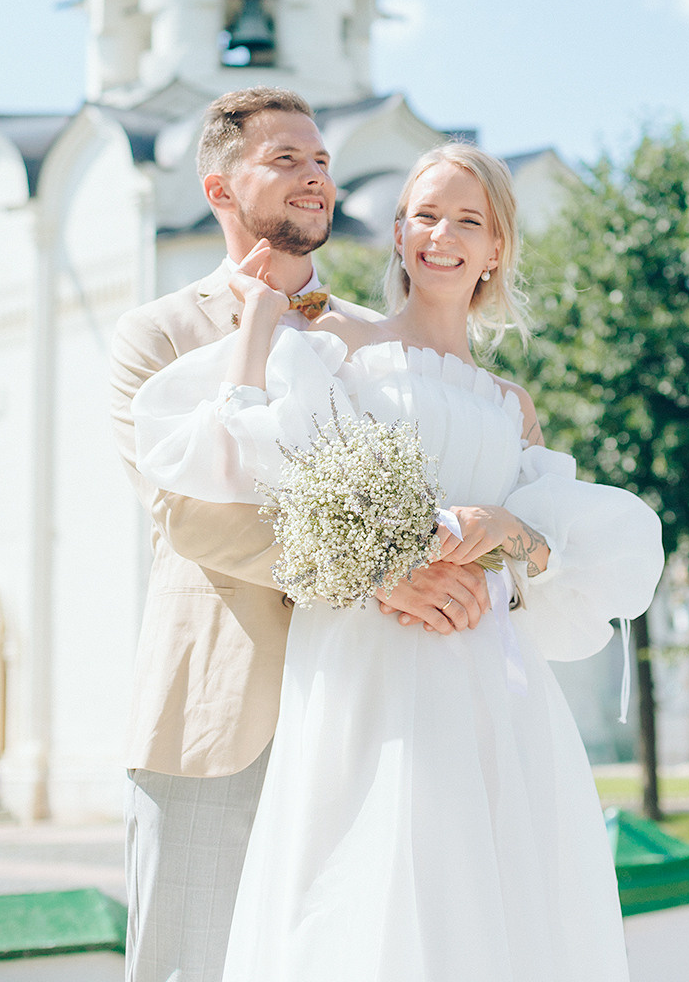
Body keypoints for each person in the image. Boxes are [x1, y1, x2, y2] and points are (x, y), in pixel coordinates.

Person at [132, 142, 665, 981]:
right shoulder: (335, 341)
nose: (441, 235)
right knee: (358, 891)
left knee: (486, 899)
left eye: (467, 220)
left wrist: (501, 535)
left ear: (497, 250)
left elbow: (550, 555)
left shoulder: (510, 403)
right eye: (424, 214)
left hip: (486, 676)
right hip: (363, 663)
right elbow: (236, 455)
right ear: (395, 232)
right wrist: (260, 320)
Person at [110, 87, 494, 982]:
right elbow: (191, 515)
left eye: (321, 161)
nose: (315, 178)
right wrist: (373, 575)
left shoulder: (376, 341)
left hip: (373, 704)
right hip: (216, 711)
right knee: (188, 964)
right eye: (286, 160)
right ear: (220, 188)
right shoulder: (154, 336)